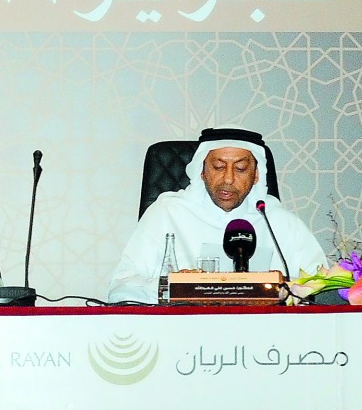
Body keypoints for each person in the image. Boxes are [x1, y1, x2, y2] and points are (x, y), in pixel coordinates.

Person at [108, 127, 327, 304]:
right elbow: (121, 289)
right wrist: (178, 287)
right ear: (202, 171)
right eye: (218, 167)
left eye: (240, 168)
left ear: (257, 175)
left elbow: (326, 289)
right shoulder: (167, 213)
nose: (228, 179)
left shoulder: (280, 223)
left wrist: (282, 290)